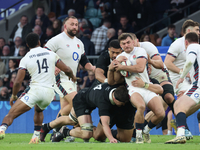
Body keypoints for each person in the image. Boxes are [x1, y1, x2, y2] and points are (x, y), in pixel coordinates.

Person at [0, 33, 77, 143]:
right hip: (49, 93)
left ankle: (2, 129)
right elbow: (67, 70)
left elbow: (17, 82)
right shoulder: (51, 54)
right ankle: (35, 136)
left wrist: (13, 95)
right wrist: (72, 77)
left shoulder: (26, 58)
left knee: (11, 114)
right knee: (38, 110)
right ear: (39, 42)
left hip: (35, 90)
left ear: (27, 45)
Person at [109, 33, 165, 143]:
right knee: (140, 106)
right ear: (121, 45)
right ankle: (138, 136)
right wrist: (112, 68)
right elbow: (113, 79)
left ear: (133, 42)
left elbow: (140, 68)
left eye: (128, 42)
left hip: (146, 86)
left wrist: (122, 67)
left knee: (161, 113)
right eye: (123, 43)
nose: (126, 45)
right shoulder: (120, 57)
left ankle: (146, 130)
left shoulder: (140, 51)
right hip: (133, 89)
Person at [44, 16, 95, 135]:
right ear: (65, 26)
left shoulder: (79, 43)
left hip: (72, 79)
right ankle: (51, 128)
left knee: (66, 109)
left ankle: (56, 133)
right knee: (78, 101)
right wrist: (54, 65)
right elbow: (44, 55)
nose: (75, 27)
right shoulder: (56, 40)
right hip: (60, 78)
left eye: (76, 24)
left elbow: (84, 62)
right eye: (72, 24)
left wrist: (92, 68)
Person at [40, 83, 135, 143]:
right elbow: (105, 123)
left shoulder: (116, 88)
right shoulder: (104, 102)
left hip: (88, 95)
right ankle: (64, 132)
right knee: (86, 134)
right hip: (82, 101)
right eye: (121, 103)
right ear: (114, 98)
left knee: (71, 119)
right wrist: (111, 139)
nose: (123, 105)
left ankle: (46, 126)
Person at [164, 19, 200, 140]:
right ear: (189, 31)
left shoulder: (193, 46)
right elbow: (167, 62)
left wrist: (184, 75)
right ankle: (181, 128)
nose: (199, 32)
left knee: (179, 106)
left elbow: (190, 61)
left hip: (195, 83)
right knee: (179, 105)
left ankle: (180, 130)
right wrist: (183, 76)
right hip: (187, 83)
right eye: (197, 30)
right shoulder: (181, 44)